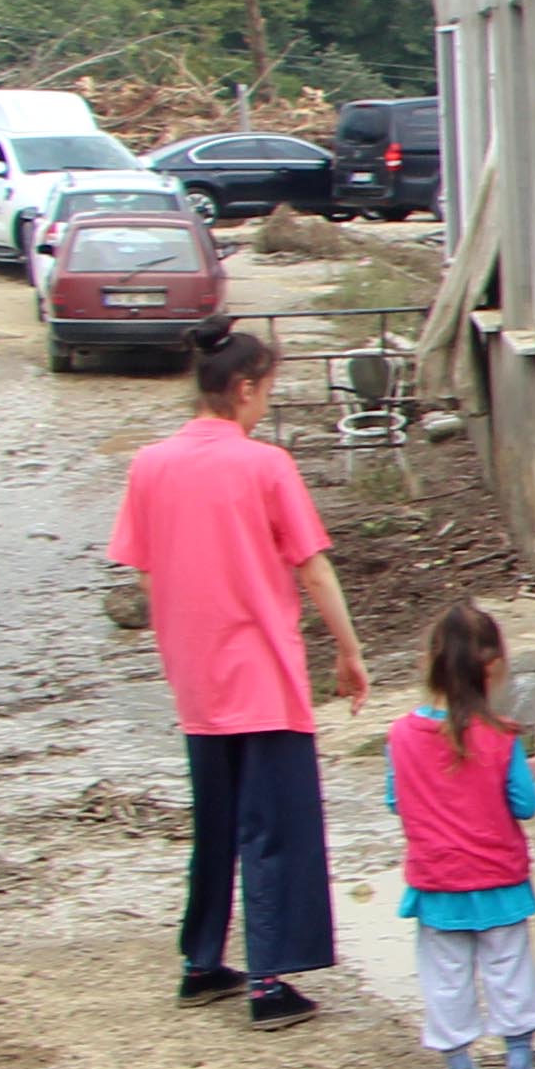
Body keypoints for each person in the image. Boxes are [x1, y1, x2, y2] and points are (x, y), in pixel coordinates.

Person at [106, 324, 366, 1028]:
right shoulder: (265, 465)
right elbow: (311, 565)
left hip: (193, 670)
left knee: (216, 821)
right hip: (262, 668)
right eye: (268, 391)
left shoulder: (150, 465)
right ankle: (268, 980)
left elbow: (143, 565)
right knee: (272, 825)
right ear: (245, 388)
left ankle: (201, 962)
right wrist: (347, 650)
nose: (266, 404)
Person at [390, 604, 535, 1069]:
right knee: (510, 975)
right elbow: (524, 805)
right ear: (494, 667)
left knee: (445, 978)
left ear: (429, 663)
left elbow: (396, 800)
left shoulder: (400, 736)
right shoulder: (503, 736)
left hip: (436, 882)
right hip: (500, 883)